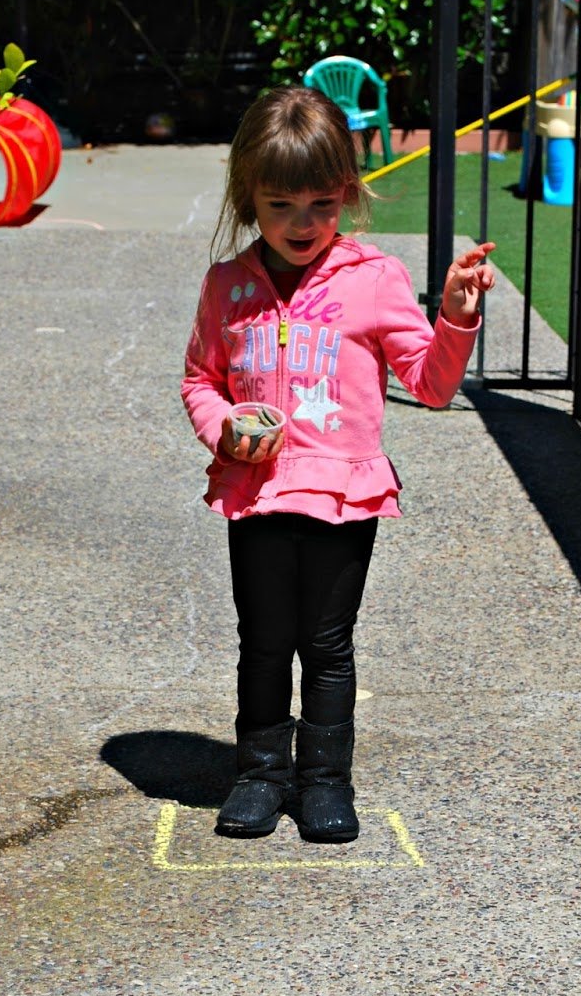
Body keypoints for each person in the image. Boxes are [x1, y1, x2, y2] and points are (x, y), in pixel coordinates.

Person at [181, 86, 495, 843]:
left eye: (321, 204)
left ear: (347, 195)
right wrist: (223, 428)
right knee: (262, 639)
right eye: (281, 203)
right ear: (248, 194)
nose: (302, 223)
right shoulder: (229, 285)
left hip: (342, 497)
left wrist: (454, 313)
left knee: (325, 645)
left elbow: (431, 385)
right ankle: (259, 774)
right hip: (255, 493)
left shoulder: (373, 278)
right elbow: (199, 378)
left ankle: (324, 781)